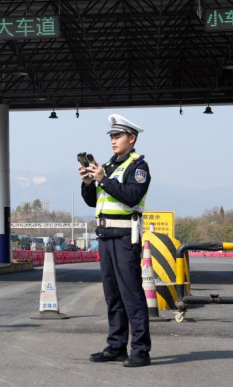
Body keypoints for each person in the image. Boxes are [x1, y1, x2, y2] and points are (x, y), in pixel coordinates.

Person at [80, 114, 152, 367]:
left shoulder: (138, 166)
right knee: (112, 295)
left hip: (124, 237)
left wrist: (102, 179)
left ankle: (140, 350)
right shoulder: (109, 166)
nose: (113, 140)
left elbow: (132, 196)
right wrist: (88, 182)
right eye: (111, 136)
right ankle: (116, 346)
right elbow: (94, 201)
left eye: (118, 136)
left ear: (131, 138)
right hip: (105, 236)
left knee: (131, 294)